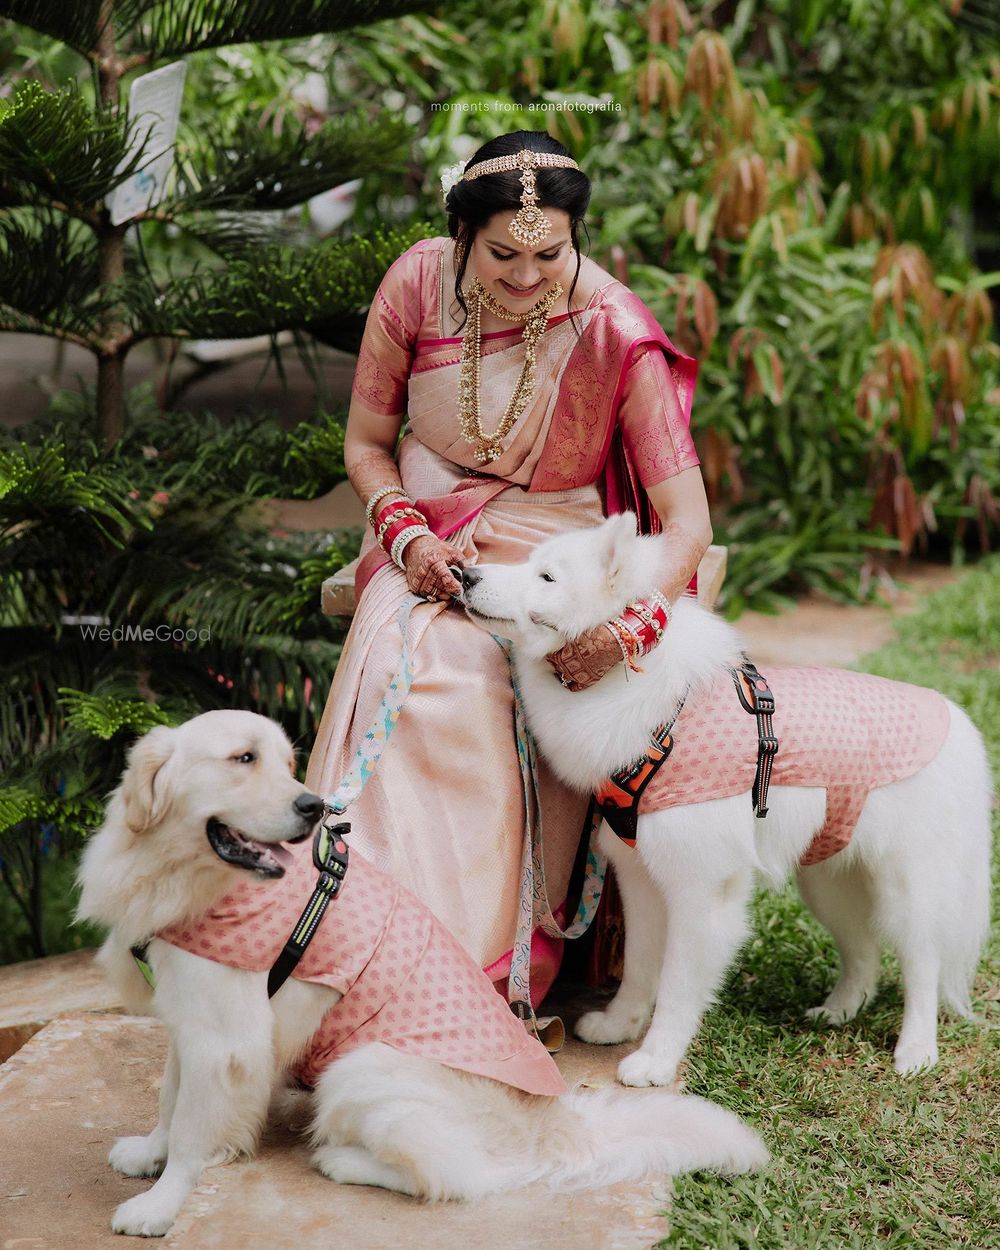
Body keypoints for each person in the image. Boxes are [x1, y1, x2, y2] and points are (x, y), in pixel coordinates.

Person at [305, 131, 712, 1006]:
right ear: (459, 236)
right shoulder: (416, 283)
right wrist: (410, 538)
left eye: (550, 254)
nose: (527, 277)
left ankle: (491, 966)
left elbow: (687, 524)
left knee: (488, 674)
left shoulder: (614, 330)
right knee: (406, 668)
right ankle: (358, 950)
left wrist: (622, 632)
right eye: (502, 254)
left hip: (550, 549)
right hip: (425, 531)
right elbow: (368, 446)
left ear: (578, 239)